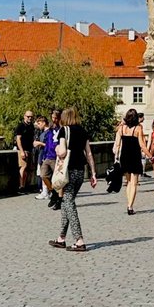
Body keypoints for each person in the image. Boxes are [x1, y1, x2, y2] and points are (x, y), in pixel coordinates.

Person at [50, 106, 97, 252]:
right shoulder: (83, 131)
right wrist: (93, 173)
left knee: (68, 202)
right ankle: (61, 238)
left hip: (68, 170)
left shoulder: (65, 130)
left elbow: (63, 152)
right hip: (80, 171)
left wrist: (57, 149)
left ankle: (79, 240)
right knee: (66, 202)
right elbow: (89, 154)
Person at [114, 109, 146, 214]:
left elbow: (117, 144)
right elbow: (142, 145)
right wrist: (149, 155)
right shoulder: (138, 129)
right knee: (134, 183)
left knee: (128, 182)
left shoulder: (121, 128)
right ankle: (130, 206)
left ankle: (129, 203)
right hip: (135, 157)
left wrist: (116, 157)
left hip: (124, 156)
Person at [14, 110, 38, 194]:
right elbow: (18, 139)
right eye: (28, 116)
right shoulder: (20, 126)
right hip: (23, 150)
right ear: (24, 116)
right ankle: (21, 186)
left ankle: (26, 185)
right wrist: (21, 151)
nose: (30, 118)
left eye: (31, 117)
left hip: (30, 149)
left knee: (29, 169)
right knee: (23, 167)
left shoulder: (31, 126)